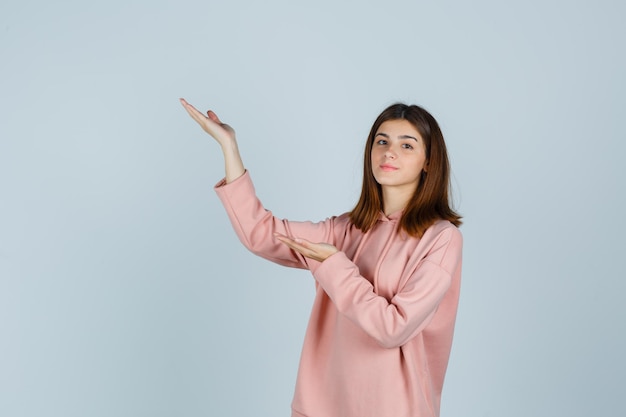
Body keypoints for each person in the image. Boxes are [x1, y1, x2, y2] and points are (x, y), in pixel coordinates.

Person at [180, 98, 463, 417]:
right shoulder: (344, 230)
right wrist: (228, 146)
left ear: (429, 161)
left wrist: (334, 266)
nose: (389, 152)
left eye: (407, 145)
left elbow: (393, 328)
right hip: (321, 407)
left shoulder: (440, 238)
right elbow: (260, 233)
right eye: (381, 141)